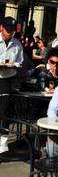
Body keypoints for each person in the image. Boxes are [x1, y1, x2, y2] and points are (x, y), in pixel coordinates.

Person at [0, 16, 23, 154]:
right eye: (8, 30)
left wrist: (12, 67)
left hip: (6, 80)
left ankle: (2, 143)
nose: (10, 33)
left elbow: (19, 62)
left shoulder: (17, 44)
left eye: (12, 31)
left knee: (3, 111)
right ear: (2, 28)